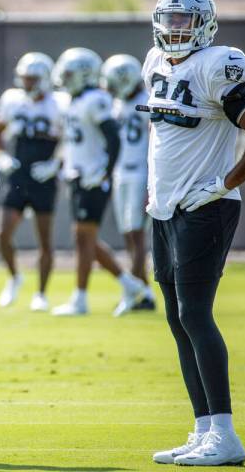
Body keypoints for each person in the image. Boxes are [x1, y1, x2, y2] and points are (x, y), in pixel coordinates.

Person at [142, 0, 245, 466]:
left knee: (196, 314)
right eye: (170, 18)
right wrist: (157, 193)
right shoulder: (155, 60)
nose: (176, 27)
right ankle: (204, 429)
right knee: (177, 319)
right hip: (167, 208)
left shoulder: (219, 63)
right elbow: (164, 138)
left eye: (186, 19)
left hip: (206, 206)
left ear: (206, 23)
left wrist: (223, 183)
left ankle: (225, 433)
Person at [51, 47, 146, 317]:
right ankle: (129, 284)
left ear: (84, 74)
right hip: (78, 175)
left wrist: (104, 171)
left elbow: (113, 138)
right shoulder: (73, 100)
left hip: (93, 177)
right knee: (83, 238)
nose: (65, 78)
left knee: (85, 237)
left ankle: (83, 297)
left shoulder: (96, 99)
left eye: (69, 73)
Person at [0, 52, 64, 311]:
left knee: (44, 239)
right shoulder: (12, 99)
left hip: (44, 174)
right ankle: (14, 277)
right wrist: (1, 156)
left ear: (44, 79)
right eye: (25, 78)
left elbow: (70, 138)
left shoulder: (59, 103)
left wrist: (57, 163)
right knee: (2, 233)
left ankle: (41, 294)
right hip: (19, 171)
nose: (28, 84)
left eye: (33, 79)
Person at [100, 54, 156, 313]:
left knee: (136, 235)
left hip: (139, 173)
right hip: (121, 172)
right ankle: (143, 292)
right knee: (128, 235)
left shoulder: (147, 102)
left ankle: (135, 291)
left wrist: (151, 183)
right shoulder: (117, 103)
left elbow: (154, 145)